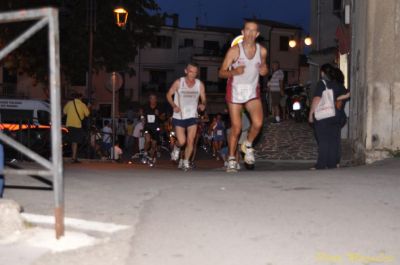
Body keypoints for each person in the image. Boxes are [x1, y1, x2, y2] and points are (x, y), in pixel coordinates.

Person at [219, 20, 268, 172]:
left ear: (257, 34)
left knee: (258, 123)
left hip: (252, 92)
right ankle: (232, 158)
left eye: (253, 31)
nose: (250, 33)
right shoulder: (234, 51)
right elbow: (221, 72)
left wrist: (264, 71)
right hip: (235, 91)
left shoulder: (262, 51)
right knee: (237, 127)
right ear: (243, 32)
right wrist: (234, 72)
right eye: (247, 30)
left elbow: (264, 70)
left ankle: (247, 144)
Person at [166, 62, 206, 171]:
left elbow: (204, 98)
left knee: (190, 141)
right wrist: (174, 105)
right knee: (182, 141)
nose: (193, 74)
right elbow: (168, 95)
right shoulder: (179, 82)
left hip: (192, 116)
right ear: (186, 71)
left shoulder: (199, 84)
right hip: (179, 116)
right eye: (191, 71)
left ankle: (186, 161)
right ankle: (177, 147)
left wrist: (203, 104)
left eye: (195, 72)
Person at [308, 63, 347, 169]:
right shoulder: (338, 84)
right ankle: (332, 164)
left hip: (324, 116)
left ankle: (321, 165)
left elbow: (317, 99)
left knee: (323, 140)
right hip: (337, 116)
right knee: (334, 140)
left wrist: (311, 114)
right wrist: (337, 100)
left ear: (322, 73)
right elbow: (348, 94)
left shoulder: (322, 83)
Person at [63, 92, 90, 163]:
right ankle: (74, 158)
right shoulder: (82, 104)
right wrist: (88, 107)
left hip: (69, 125)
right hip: (77, 125)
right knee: (76, 142)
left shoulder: (69, 103)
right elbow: (87, 114)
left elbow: (64, 112)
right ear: (80, 98)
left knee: (73, 142)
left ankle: (73, 157)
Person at [143, 94, 164, 165]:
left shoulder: (159, 108)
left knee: (154, 145)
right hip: (147, 127)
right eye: (151, 98)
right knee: (148, 140)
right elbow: (143, 117)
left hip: (156, 128)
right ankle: (145, 153)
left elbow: (163, 118)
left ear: (156, 100)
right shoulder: (146, 107)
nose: (153, 100)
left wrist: (158, 115)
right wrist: (143, 122)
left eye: (154, 98)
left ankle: (151, 158)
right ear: (149, 99)